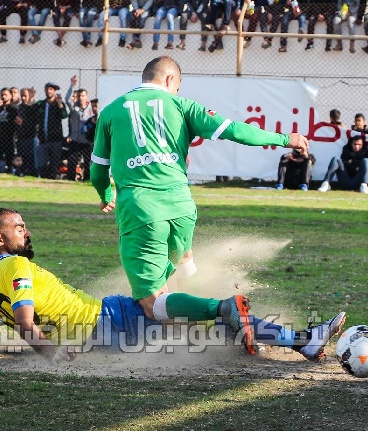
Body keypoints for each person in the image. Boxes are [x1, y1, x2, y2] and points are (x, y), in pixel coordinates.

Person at [90, 57, 312, 354]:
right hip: (182, 207)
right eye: (178, 87)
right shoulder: (183, 107)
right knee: (182, 261)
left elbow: (97, 172)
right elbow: (235, 130)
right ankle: (205, 334)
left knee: (152, 303)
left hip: (141, 209)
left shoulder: (110, 112)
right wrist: (286, 138)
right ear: (170, 81)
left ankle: (222, 309)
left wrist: (105, 195)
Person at [0, 208, 346, 361]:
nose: (26, 232)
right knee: (158, 301)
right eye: (18, 227)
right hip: (108, 319)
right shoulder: (16, 268)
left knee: (207, 331)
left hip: (100, 334)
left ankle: (300, 341)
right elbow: (27, 324)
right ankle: (281, 333)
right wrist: (53, 354)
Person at [34, 82, 68, 179]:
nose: (49, 91)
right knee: (42, 165)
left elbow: (64, 115)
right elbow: (31, 111)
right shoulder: (41, 104)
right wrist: (31, 98)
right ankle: (44, 180)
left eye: (51, 89)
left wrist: (60, 104)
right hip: (43, 139)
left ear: (54, 91)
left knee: (54, 165)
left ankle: (52, 181)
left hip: (56, 140)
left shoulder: (59, 104)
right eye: (47, 89)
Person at [65, 76, 94, 181]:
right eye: (79, 96)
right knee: (72, 161)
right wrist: (72, 85)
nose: (81, 97)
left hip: (87, 140)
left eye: (83, 95)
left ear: (86, 97)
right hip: (75, 140)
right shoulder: (74, 108)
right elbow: (67, 99)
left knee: (88, 161)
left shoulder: (91, 109)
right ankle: (70, 179)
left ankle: (87, 180)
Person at [15, 87, 38, 176]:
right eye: (22, 96)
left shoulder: (34, 107)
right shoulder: (20, 107)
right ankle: (21, 172)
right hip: (21, 137)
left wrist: (23, 122)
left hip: (31, 137)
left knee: (31, 158)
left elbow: (34, 122)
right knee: (21, 157)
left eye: (25, 96)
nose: (23, 98)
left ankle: (32, 173)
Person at [0, 87, 19, 163]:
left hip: (10, 136)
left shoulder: (14, 108)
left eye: (5, 95)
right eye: (2, 95)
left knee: (9, 156)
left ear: (10, 96)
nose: (3, 96)